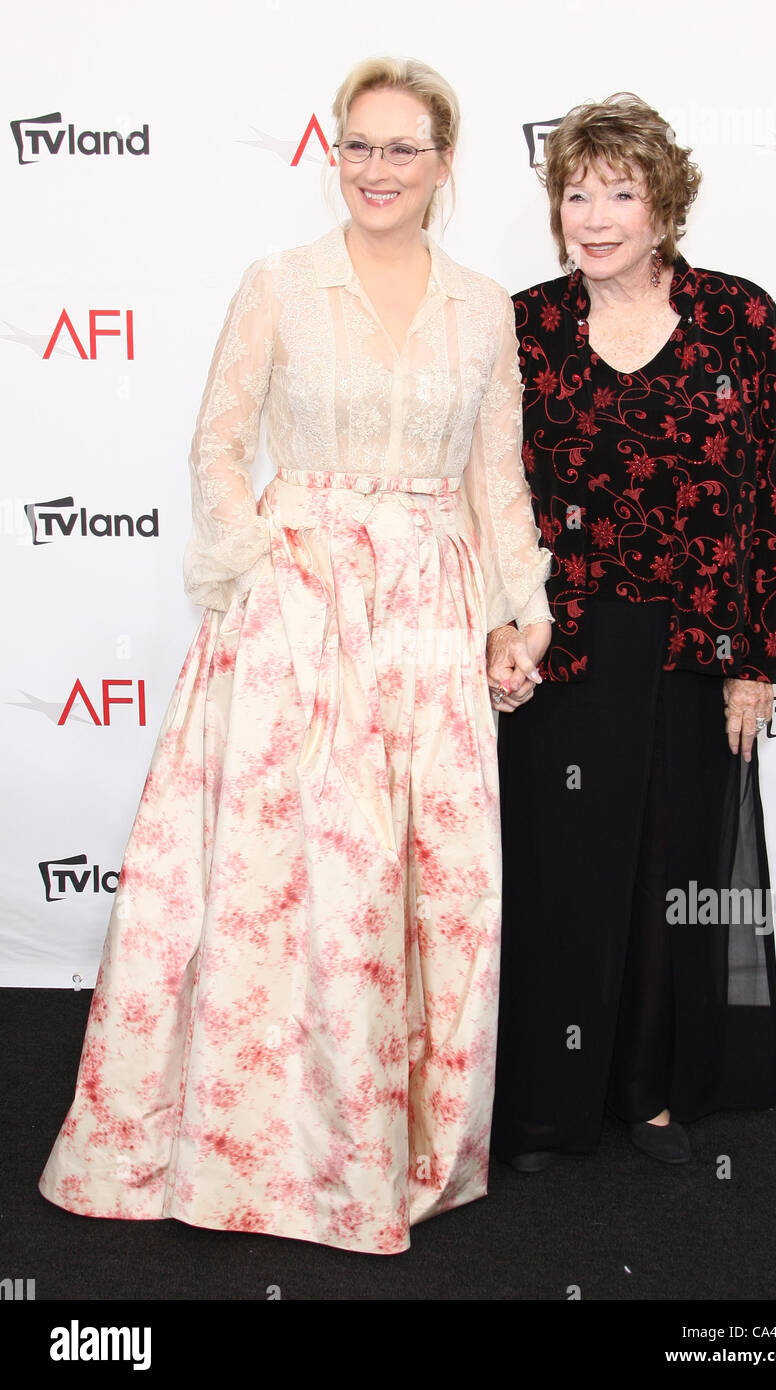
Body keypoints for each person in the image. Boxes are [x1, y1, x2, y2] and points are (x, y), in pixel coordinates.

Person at [38, 56, 553, 1253]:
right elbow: (217, 446)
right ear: (336, 154)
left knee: (414, 882)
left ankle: (377, 1157)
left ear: (443, 162)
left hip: (425, 613)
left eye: (403, 148)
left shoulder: (483, 304)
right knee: (281, 884)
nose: (378, 168)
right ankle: (244, 1157)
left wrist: (516, 613)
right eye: (358, 145)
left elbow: (494, 477)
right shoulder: (276, 283)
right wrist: (262, 551)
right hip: (294, 612)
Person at [488, 92, 776, 1171]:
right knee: (563, 872)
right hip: (562, 643)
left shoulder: (737, 317)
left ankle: (650, 1094)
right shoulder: (521, 323)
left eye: (622, 191)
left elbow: (764, 498)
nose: (597, 213)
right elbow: (494, 495)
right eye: (577, 191)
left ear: (665, 204)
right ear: (554, 205)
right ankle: (546, 1106)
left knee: (670, 872)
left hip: (692, 642)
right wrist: (500, 627)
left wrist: (755, 659)